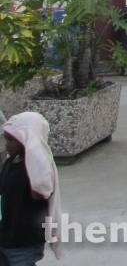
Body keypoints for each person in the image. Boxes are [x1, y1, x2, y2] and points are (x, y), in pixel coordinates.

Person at [1, 112, 63, 264]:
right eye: (6, 139)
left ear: (27, 140)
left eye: (12, 140)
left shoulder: (39, 168)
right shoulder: (10, 163)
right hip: (6, 235)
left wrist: (35, 155)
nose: (7, 145)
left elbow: (40, 189)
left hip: (25, 240)